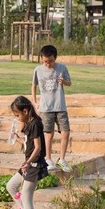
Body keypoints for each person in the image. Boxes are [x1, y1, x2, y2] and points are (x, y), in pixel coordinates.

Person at [6, 95, 49, 209]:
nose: (17, 118)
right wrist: (17, 138)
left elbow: (37, 148)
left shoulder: (35, 124)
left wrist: (28, 162)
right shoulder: (29, 124)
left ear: (25, 111)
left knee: (26, 196)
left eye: (18, 115)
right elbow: (28, 144)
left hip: (34, 165)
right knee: (11, 186)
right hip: (28, 165)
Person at [31, 44, 72, 173]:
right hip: (46, 107)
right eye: (45, 62)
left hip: (60, 105)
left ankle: (62, 159)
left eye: (51, 61)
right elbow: (34, 85)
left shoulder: (62, 68)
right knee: (48, 134)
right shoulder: (38, 70)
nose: (48, 64)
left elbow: (69, 82)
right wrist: (35, 102)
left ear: (55, 58)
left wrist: (64, 82)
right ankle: (48, 158)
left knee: (65, 132)